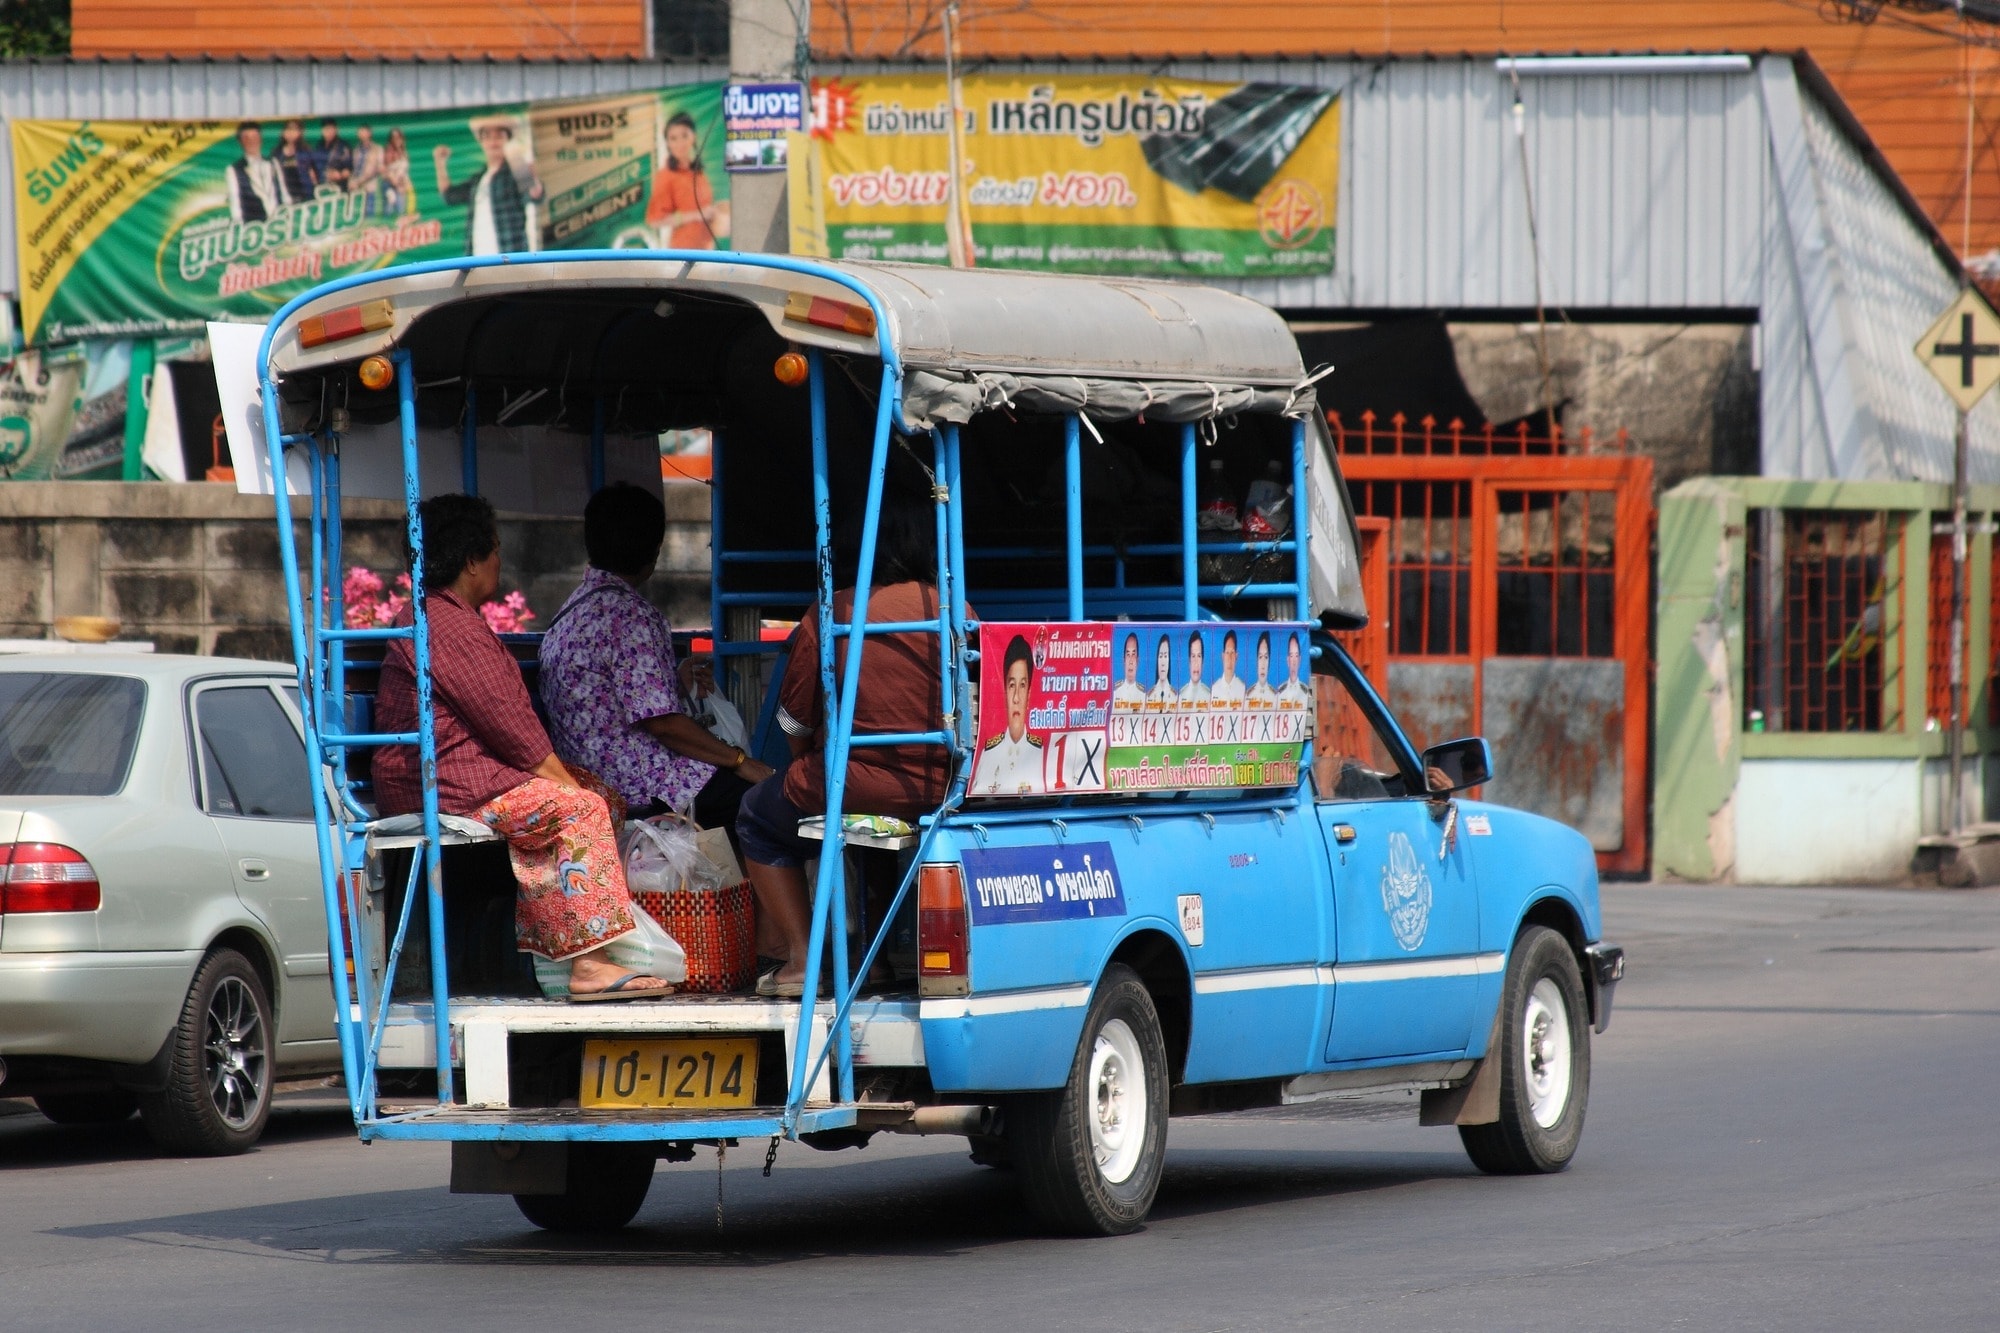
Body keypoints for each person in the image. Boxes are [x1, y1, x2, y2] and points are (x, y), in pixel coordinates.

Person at [372, 494, 671, 1000]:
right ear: (471, 561)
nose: (499, 561)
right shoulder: (445, 624)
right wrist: (568, 785)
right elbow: (510, 726)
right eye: (493, 550)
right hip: (446, 781)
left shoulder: (443, 615)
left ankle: (565, 948)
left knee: (602, 796)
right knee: (580, 809)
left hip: (458, 774)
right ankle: (589, 965)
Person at [736, 494, 951, 997]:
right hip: (937, 787)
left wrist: (803, 766)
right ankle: (871, 961)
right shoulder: (951, 608)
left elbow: (793, 717)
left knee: (755, 815)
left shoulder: (836, 610)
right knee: (866, 841)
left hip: (850, 783)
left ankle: (802, 959)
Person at [540, 482, 774, 832]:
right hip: (643, 783)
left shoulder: (569, 612)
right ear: (655, 550)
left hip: (590, 775)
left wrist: (672, 685)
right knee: (771, 805)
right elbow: (663, 724)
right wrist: (740, 761)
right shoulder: (632, 617)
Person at [436, 117, 543, 256]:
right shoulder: (479, 179)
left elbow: (534, 194)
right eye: (488, 136)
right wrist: (440, 163)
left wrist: (529, 174)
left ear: (507, 140)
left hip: (508, 258)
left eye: (499, 136)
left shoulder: (515, 172)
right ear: (482, 142)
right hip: (477, 260)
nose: (493, 142)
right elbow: (449, 196)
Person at [646, 110, 730, 249]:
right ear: (667, 143)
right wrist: (695, 216)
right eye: (673, 138)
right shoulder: (666, 175)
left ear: (694, 136)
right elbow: (655, 220)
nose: (680, 143)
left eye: (684, 135)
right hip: (684, 251)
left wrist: (717, 211)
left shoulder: (698, 172)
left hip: (707, 250)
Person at [976, 635, 1043, 796]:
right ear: (1005, 691)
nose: (1016, 698)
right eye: (1012, 686)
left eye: (1022, 685)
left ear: (1029, 693)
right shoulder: (988, 753)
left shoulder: (1042, 752)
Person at [225, 122, 282, 224]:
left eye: (255, 137)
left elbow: (284, 194)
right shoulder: (234, 169)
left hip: (279, 224)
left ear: (260, 139)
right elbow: (235, 203)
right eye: (246, 138)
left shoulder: (273, 163)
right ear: (240, 142)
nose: (251, 141)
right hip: (254, 229)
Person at [272, 119, 316, 204]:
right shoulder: (276, 153)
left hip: (304, 198)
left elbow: (315, 174)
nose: (291, 132)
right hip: (284, 199)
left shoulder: (306, 151)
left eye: (294, 129)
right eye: (288, 129)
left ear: (300, 132)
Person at [350, 125, 386, 215]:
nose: (361, 134)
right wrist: (353, 181)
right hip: (356, 185)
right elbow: (354, 167)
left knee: (369, 211)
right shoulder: (356, 149)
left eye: (363, 131)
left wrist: (363, 179)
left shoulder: (377, 149)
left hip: (369, 185)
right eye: (359, 132)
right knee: (357, 213)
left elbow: (379, 168)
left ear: (369, 133)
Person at [311, 118, 352, 193]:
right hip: (321, 188)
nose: (329, 132)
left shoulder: (343, 146)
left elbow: (348, 170)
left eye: (331, 129)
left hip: (338, 188)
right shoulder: (318, 146)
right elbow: (314, 166)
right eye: (326, 129)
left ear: (336, 129)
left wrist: (340, 174)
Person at [380, 127, 413, 215]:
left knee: (400, 211)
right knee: (389, 209)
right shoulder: (388, 151)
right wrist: (395, 182)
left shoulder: (404, 152)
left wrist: (404, 184)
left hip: (400, 184)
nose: (397, 140)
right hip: (390, 185)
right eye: (394, 138)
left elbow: (404, 171)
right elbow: (386, 170)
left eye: (399, 137)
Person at [1211, 628, 1246, 707]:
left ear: (1236, 656)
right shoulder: (1214, 689)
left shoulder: (1243, 689)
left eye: (1232, 653)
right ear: (1222, 656)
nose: (1229, 658)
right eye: (1227, 653)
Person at [1111, 632, 1146, 711]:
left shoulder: (1143, 694)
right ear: (1124, 661)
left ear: (1137, 660)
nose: (1130, 661)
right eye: (1128, 655)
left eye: (1133, 654)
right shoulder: (1115, 692)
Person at [1276, 632, 1310, 709]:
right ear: (1288, 660)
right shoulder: (1280, 691)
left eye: (1296, 656)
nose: (1294, 661)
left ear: (1300, 660)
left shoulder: (1306, 690)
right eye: (1291, 656)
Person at [1179, 633, 1211, 710]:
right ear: (1189, 661)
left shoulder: (1209, 696)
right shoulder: (1180, 696)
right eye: (1193, 656)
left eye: (1199, 656)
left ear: (1203, 661)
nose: (1196, 662)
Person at [1144, 635, 1176, 711]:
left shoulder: (1175, 697)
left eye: (1165, 656)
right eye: (1160, 656)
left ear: (1169, 661)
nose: (1163, 663)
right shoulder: (1149, 696)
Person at [1247, 630, 1277, 707]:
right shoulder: (1248, 695)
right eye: (1260, 657)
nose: (1263, 665)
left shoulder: (1275, 696)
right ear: (1256, 661)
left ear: (1269, 661)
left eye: (1266, 657)